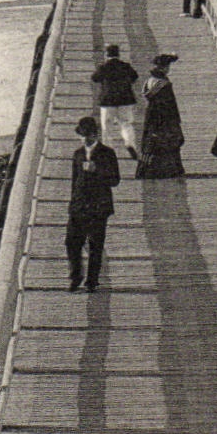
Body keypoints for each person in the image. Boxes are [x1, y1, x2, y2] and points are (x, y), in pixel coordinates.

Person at [66, 116, 120, 292]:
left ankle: (92, 281)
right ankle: (75, 276)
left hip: (99, 206)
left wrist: (98, 170)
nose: (85, 139)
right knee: (71, 242)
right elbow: (74, 181)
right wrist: (72, 203)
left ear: (96, 135)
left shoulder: (108, 153)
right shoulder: (78, 154)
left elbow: (115, 180)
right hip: (79, 205)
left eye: (88, 135)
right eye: (82, 135)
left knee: (96, 245)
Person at [135, 55, 185, 179]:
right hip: (164, 117)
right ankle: (169, 170)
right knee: (168, 141)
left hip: (151, 115)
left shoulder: (149, 81)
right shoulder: (164, 84)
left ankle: (146, 169)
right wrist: (175, 121)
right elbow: (170, 104)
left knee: (150, 141)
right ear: (164, 68)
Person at [91, 44, 141, 161]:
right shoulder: (125, 66)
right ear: (118, 54)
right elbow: (134, 77)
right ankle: (129, 144)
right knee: (126, 124)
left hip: (107, 101)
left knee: (107, 127)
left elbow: (94, 78)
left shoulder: (104, 67)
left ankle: (108, 151)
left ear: (106, 54)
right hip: (125, 99)